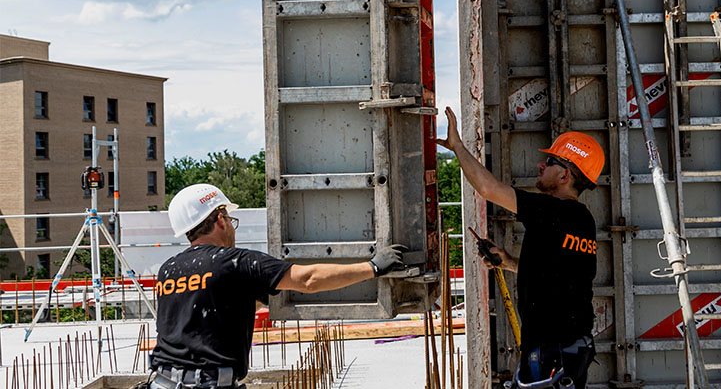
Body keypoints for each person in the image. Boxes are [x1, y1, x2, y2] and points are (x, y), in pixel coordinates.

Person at [148, 183, 405, 389]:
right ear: (220, 219)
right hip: (209, 383)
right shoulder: (235, 262)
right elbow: (308, 279)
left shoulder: (168, 270)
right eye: (230, 219)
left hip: (162, 382)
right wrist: (373, 267)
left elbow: (208, 306)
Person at [435, 107, 604, 389]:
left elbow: (488, 189)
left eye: (549, 161)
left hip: (551, 354)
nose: (540, 166)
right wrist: (510, 261)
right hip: (571, 350)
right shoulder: (583, 220)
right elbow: (561, 275)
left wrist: (457, 147)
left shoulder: (552, 211)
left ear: (565, 176)